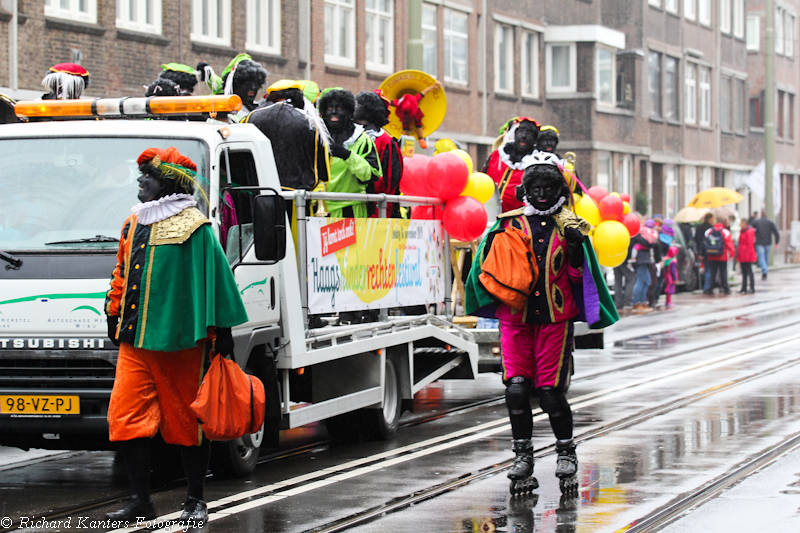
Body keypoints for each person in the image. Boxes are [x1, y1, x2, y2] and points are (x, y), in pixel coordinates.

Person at [104, 147, 249, 524]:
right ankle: (140, 500)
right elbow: (121, 272)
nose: (140, 181)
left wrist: (224, 333)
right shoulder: (133, 223)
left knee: (186, 423)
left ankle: (194, 500)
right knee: (125, 418)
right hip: (135, 342)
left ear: (166, 182)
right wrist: (112, 310)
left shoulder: (195, 226)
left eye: (147, 176)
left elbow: (218, 280)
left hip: (182, 342)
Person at [464, 152, 618, 496]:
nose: (543, 194)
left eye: (549, 187)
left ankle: (566, 452)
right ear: (525, 192)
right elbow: (483, 268)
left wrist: (578, 252)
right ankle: (523, 457)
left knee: (549, 392)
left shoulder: (572, 225)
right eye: (536, 188)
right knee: (516, 388)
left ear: (560, 190)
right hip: (515, 319)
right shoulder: (508, 223)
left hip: (554, 320)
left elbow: (581, 277)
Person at [317, 88, 382, 219]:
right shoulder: (313, 135)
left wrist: (347, 155)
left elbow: (372, 175)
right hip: (317, 209)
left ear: (349, 112)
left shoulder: (362, 139)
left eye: (339, 108)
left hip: (350, 210)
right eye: (330, 107)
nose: (334, 112)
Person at [354, 90, 404, 218]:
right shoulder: (351, 135)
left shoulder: (386, 142)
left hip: (378, 209)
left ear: (368, 110)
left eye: (357, 105)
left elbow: (390, 180)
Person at [482, 117, 541, 213]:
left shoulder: (536, 164)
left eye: (529, 133)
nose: (524, 136)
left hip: (516, 218)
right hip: (488, 212)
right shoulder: (498, 154)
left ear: (535, 139)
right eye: (520, 132)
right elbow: (483, 178)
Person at [197, 54, 269, 122]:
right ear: (235, 84)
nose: (253, 87)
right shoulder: (222, 112)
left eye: (256, 83)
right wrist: (209, 75)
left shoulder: (260, 109)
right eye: (247, 83)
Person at [389, 80, 442, 149]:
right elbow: (423, 93)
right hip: (407, 117)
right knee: (408, 126)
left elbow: (390, 102)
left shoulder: (400, 103)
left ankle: (419, 139)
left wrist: (433, 87)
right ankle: (414, 141)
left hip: (414, 114)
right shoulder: (407, 102)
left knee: (416, 123)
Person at [631, 220, 662, 312]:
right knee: (640, 281)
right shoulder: (640, 236)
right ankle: (636, 303)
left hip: (646, 260)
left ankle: (642, 301)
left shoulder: (645, 236)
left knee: (647, 281)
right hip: (641, 261)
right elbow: (643, 245)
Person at [704, 218, 735, 295]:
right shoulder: (725, 232)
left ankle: (710, 288)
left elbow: (705, 243)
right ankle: (725, 288)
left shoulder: (709, 231)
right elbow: (730, 244)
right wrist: (731, 255)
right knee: (723, 272)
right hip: (722, 255)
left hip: (711, 255)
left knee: (713, 272)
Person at [751, 211, 780, 280]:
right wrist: (777, 242)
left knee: (761, 257)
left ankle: (764, 270)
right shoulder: (770, 222)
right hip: (768, 242)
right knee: (765, 258)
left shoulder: (756, 222)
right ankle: (765, 270)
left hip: (759, 242)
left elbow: (750, 229)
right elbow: (776, 232)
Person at [695, 213, 715, 293]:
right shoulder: (711, 229)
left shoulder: (699, 228)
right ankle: (708, 287)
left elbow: (697, 240)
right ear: (709, 219)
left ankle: (706, 287)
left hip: (703, 251)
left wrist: (700, 252)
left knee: (707, 269)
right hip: (711, 251)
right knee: (710, 270)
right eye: (712, 219)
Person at [613, 240, 635, 310]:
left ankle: (618, 302)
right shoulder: (626, 234)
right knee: (630, 279)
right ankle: (627, 301)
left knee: (617, 281)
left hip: (614, 259)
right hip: (625, 260)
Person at [737, 218, 757, 293]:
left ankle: (752, 287)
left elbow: (749, 245)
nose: (740, 224)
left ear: (744, 223)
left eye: (741, 223)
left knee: (749, 271)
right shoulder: (743, 231)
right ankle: (744, 287)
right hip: (743, 254)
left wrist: (748, 256)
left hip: (747, 255)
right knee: (744, 272)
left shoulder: (749, 231)